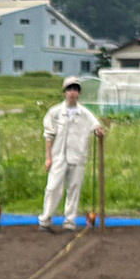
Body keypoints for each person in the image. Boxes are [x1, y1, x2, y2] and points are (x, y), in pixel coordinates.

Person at [39, 75, 100, 229]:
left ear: (79, 93)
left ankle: (69, 221)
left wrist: (99, 132)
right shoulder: (54, 112)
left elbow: (96, 127)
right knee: (53, 188)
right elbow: (48, 135)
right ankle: (45, 219)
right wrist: (48, 158)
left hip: (78, 157)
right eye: (69, 90)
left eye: (75, 90)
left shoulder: (85, 113)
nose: (72, 93)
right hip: (58, 156)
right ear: (64, 92)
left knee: (74, 189)